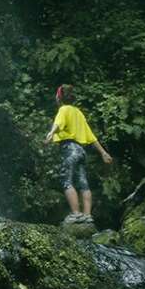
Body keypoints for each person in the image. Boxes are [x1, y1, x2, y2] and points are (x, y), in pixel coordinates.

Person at [46, 84, 112, 220]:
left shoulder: (63, 110)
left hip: (69, 149)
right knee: (83, 182)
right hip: (81, 151)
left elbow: (59, 124)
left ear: (59, 98)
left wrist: (51, 133)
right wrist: (103, 152)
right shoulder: (79, 113)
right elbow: (91, 136)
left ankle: (76, 213)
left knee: (66, 181)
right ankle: (87, 216)